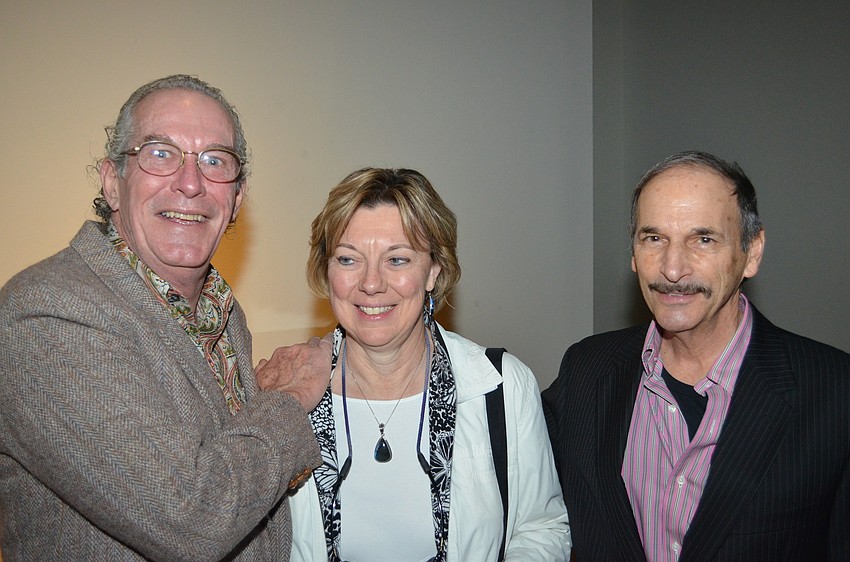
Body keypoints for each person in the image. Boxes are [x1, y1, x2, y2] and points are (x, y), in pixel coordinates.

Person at [0, 75, 332, 561]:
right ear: (113, 181)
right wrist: (284, 399)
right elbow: (195, 521)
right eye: (160, 153)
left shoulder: (222, 311)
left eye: (215, 161)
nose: (191, 183)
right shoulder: (47, 315)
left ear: (237, 199)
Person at [542, 150, 850, 561]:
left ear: (752, 252)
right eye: (654, 238)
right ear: (634, 253)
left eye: (703, 239)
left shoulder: (835, 392)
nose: (672, 268)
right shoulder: (587, 369)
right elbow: (505, 467)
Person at [287, 168, 570, 561]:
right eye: (349, 259)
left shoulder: (501, 387)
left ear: (434, 270)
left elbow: (541, 529)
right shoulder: (286, 395)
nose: (371, 283)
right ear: (327, 270)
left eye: (397, 259)